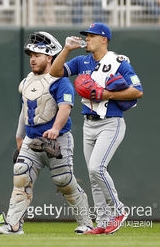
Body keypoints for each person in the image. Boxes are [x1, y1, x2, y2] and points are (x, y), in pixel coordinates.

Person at [0, 32, 94, 235]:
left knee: (63, 181)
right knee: (21, 176)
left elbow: (65, 108)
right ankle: (13, 225)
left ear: (49, 57)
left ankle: (87, 223)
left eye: (37, 55)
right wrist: (20, 136)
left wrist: (55, 129)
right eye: (30, 55)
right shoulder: (26, 81)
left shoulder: (60, 81)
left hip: (58, 140)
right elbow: (24, 110)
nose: (32, 59)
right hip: (31, 140)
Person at [50, 23, 144, 235]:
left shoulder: (118, 62)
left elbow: (137, 92)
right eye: (87, 35)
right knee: (93, 176)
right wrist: (66, 49)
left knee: (96, 168)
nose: (87, 39)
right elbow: (55, 72)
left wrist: (108, 94)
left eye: (92, 36)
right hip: (89, 123)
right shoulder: (81, 61)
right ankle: (102, 222)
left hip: (111, 122)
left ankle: (118, 210)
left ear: (104, 39)